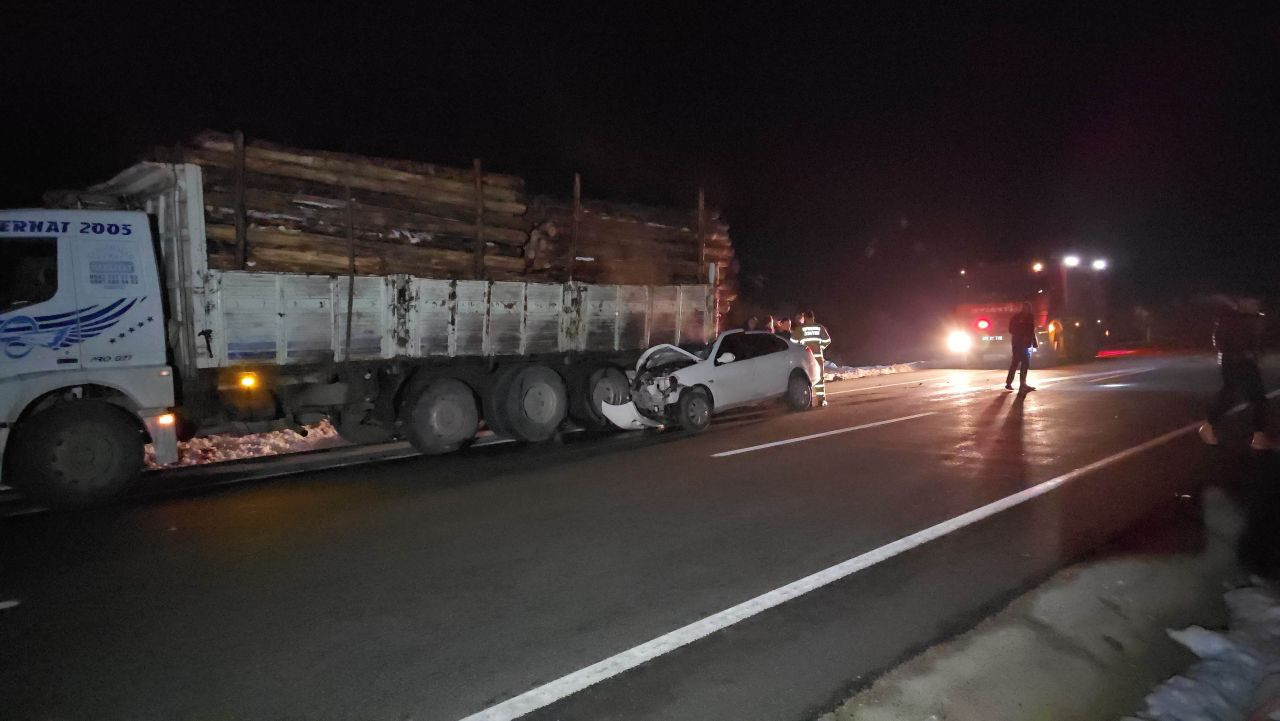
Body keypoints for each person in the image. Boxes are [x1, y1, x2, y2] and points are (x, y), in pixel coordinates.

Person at [1200, 297, 1269, 451]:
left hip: (1239, 361)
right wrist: (1244, 353)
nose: (1256, 305)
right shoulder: (1237, 320)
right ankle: (1258, 437)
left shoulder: (1246, 319)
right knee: (1253, 397)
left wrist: (1253, 353)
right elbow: (1221, 341)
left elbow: (1256, 341)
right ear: (1244, 303)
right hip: (1238, 362)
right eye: (1253, 302)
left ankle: (1258, 436)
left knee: (1235, 396)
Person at [795, 310, 832, 406]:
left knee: (808, 378)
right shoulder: (820, 327)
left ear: (805, 318)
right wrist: (820, 347)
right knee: (819, 378)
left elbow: (792, 341)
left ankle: (809, 401)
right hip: (818, 357)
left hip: (806, 357)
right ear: (813, 317)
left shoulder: (801, 329)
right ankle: (821, 400)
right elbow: (827, 340)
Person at [1005, 301, 1038, 392]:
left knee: (1020, 363)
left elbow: (1031, 331)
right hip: (1018, 343)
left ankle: (1014, 383)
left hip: (1024, 343)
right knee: (1020, 363)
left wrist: (1034, 342)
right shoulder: (1017, 318)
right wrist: (1021, 336)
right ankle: (1020, 384)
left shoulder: (1030, 317)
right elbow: (1011, 330)